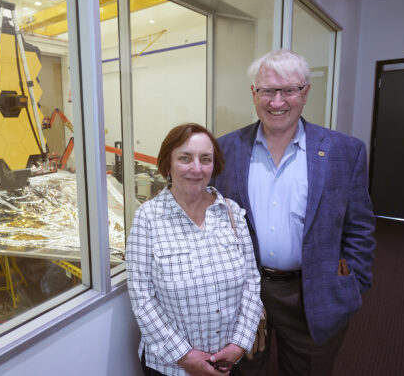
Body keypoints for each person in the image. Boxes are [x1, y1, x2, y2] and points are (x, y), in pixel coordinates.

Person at [211, 49, 376, 375]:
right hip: (244, 291)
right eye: (268, 91)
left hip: (312, 290)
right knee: (243, 370)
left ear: (305, 92)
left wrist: (352, 281)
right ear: (253, 94)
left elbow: (360, 228)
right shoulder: (226, 149)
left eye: (289, 90)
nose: (277, 102)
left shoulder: (344, 151)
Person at [127, 123, 263, 376]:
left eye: (205, 159)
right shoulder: (148, 219)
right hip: (170, 366)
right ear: (167, 164)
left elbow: (252, 283)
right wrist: (184, 357)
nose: (196, 168)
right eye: (185, 158)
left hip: (230, 361)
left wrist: (239, 344)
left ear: (215, 165)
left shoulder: (231, 212)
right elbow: (141, 297)